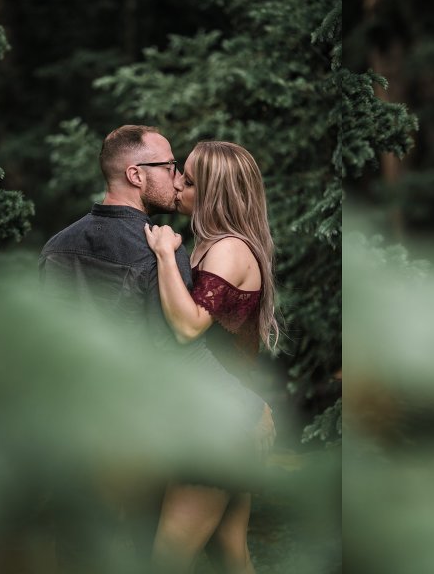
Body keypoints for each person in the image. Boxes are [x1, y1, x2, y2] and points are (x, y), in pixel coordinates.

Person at [39, 126, 274, 573]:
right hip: (181, 420)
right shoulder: (159, 251)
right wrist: (248, 404)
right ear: (135, 174)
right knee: (220, 553)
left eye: (183, 173)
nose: (177, 179)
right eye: (170, 168)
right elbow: (180, 348)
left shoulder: (56, 248)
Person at [144, 140, 279, 574]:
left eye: (188, 177)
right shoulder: (213, 245)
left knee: (168, 558)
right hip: (227, 414)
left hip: (221, 426)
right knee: (229, 554)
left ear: (212, 191)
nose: (177, 181)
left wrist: (165, 253)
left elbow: (187, 327)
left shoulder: (229, 249)